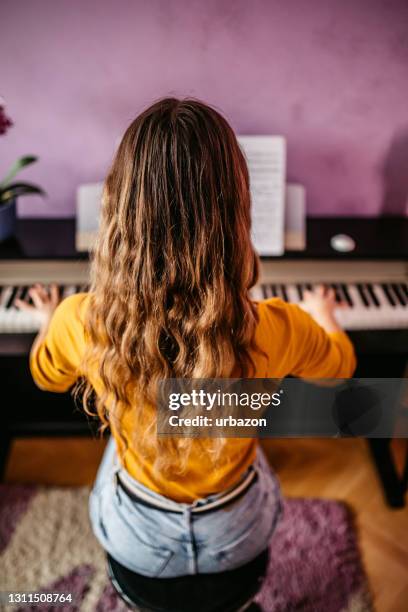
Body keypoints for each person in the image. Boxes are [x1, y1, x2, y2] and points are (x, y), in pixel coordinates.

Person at [18, 98, 356, 578]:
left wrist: (48, 322)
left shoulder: (81, 320)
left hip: (138, 538)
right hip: (238, 533)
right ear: (236, 211)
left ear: (120, 210)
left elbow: (45, 376)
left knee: (131, 432)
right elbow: (339, 371)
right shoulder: (281, 326)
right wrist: (325, 318)